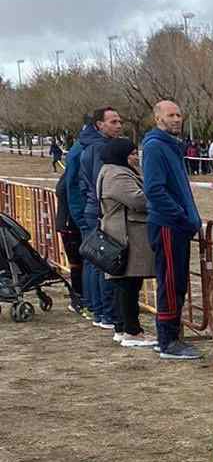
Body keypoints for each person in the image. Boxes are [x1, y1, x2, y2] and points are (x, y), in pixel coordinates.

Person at [142, 100, 203, 359]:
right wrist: (181, 217)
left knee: (177, 282)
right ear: (158, 119)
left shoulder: (171, 146)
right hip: (168, 226)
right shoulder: (155, 147)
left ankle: (170, 335)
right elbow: (155, 190)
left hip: (177, 225)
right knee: (170, 281)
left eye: (179, 114)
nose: (177, 119)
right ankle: (168, 340)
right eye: (171, 115)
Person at [97, 138, 157, 348]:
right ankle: (132, 331)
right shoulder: (117, 174)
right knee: (128, 284)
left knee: (126, 284)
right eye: (132, 153)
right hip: (125, 236)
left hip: (125, 234)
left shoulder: (113, 171)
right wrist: (161, 198)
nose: (135, 157)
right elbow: (138, 200)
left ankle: (123, 328)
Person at [80, 106, 124, 329]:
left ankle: (97, 309)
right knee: (103, 263)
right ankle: (106, 313)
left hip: (91, 209)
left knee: (94, 262)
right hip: (100, 211)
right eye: (113, 122)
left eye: (119, 122)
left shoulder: (87, 147)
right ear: (100, 125)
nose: (118, 126)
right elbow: (103, 184)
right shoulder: (100, 149)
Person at [63, 117, 95, 317]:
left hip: (79, 216)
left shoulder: (82, 149)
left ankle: (88, 302)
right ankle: (85, 301)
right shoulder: (82, 150)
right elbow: (72, 189)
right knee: (88, 262)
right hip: (80, 217)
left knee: (88, 262)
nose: (118, 126)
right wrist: (81, 218)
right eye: (114, 121)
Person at [53, 155, 85, 313]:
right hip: (70, 225)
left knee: (77, 264)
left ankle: (78, 296)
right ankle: (78, 297)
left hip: (67, 224)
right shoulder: (71, 181)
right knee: (77, 264)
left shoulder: (66, 178)